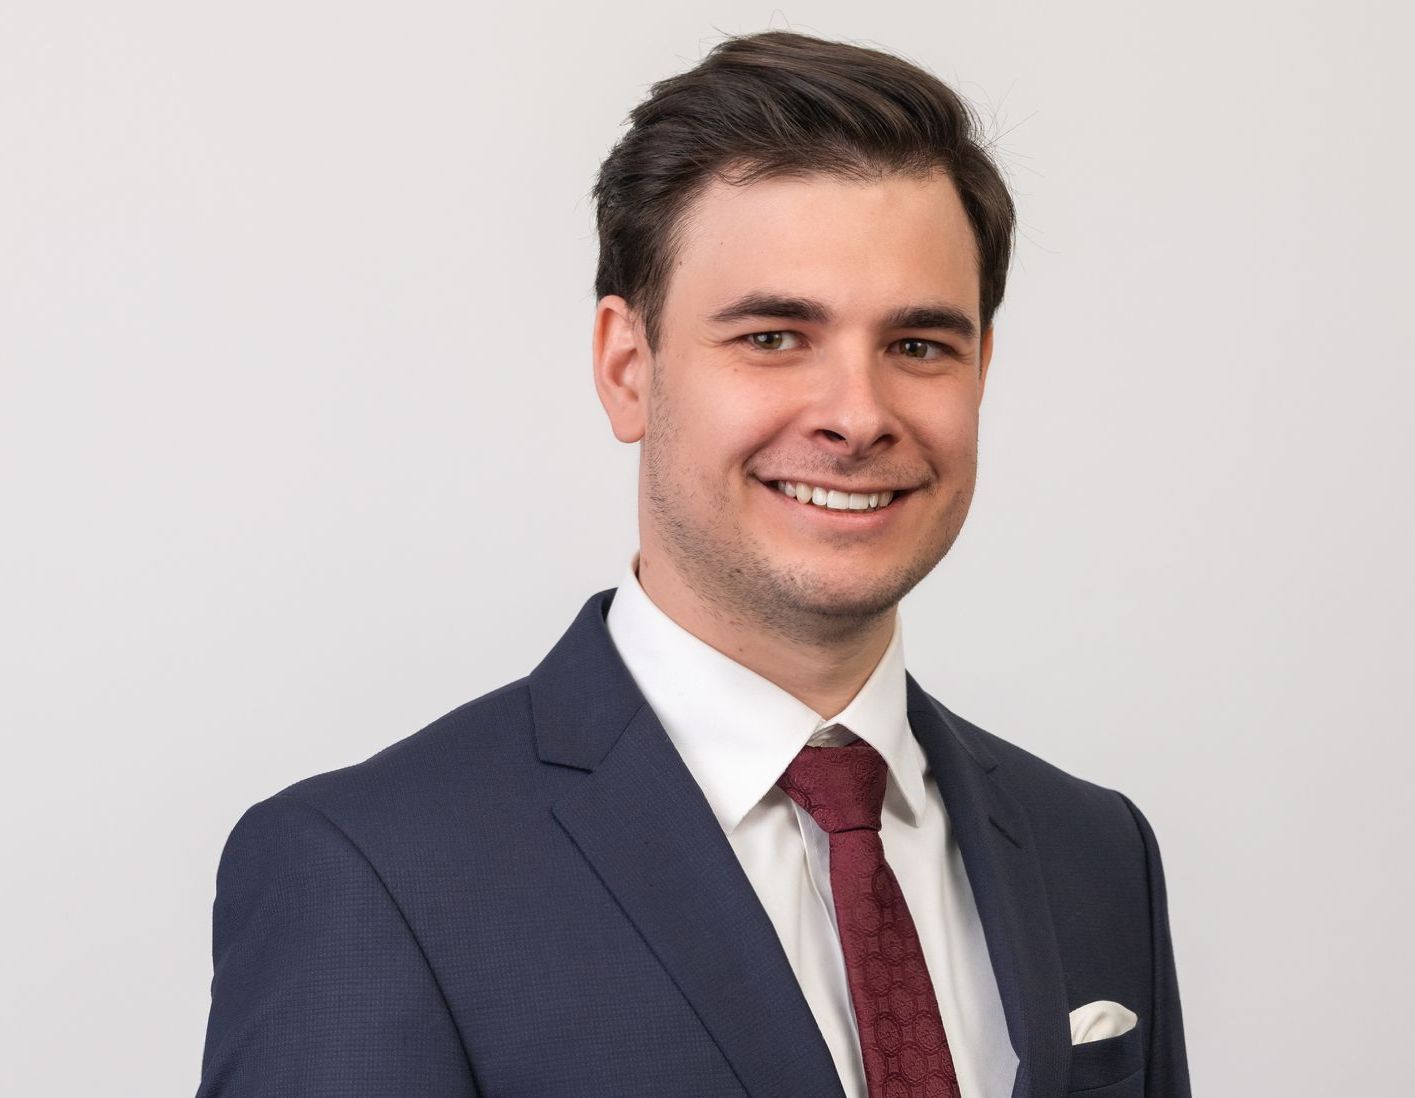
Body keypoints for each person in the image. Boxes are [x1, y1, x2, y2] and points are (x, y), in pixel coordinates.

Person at [196, 30, 1191, 1098]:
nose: (857, 416)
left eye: (917, 346)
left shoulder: (1094, 852)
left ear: (980, 371)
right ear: (627, 367)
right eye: (772, 337)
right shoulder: (371, 872)